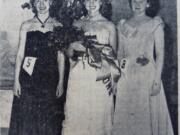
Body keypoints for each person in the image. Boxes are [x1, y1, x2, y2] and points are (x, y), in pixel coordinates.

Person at [112, 0, 174, 135]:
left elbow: (160, 53)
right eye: (134, 1)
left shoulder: (155, 24)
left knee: (145, 115)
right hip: (127, 76)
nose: (137, 4)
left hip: (147, 75)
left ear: (148, 3)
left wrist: (157, 80)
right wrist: (117, 77)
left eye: (141, 0)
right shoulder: (123, 25)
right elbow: (120, 54)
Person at [61, 0, 118, 135]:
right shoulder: (76, 24)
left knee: (98, 112)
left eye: (95, 0)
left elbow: (114, 56)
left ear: (101, 3)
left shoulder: (109, 26)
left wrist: (115, 81)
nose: (91, 3)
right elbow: (69, 54)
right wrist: (72, 47)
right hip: (79, 74)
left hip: (100, 75)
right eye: (88, 0)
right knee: (76, 110)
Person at [8, 0, 65, 135]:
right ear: (34, 4)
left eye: (45, 0)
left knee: (48, 115)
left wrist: (61, 81)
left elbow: (61, 57)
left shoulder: (58, 26)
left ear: (51, 3)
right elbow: (20, 55)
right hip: (29, 77)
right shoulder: (26, 25)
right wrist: (16, 81)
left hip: (50, 77)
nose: (41, 4)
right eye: (38, 1)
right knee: (27, 113)